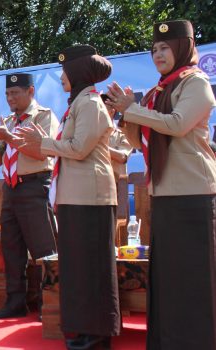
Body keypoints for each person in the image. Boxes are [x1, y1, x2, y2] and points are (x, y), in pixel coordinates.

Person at [106, 19, 216, 349]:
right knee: (169, 277)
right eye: (154, 49)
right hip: (164, 193)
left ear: (184, 47)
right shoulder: (158, 91)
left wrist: (135, 110)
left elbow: (179, 124)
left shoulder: (196, 83)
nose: (158, 54)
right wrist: (124, 117)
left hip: (194, 194)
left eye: (165, 48)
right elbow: (140, 142)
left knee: (195, 276)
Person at [17, 44, 120, 349]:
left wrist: (43, 142)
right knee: (77, 267)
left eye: (65, 70)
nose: (61, 76)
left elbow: (78, 148)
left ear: (78, 73)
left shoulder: (90, 103)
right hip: (75, 196)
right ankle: (82, 328)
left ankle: (97, 333)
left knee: (93, 267)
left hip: (92, 197)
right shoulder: (77, 104)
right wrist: (40, 142)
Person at [0, 73, 59, 319]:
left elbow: (43, 153)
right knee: (11, 247)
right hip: (11, 187)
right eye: (7, 94)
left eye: (15, 93)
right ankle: (16, 301)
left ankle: (52, 303)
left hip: (35, 186)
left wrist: (8, 137)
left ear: (31, 91)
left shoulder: (44, 116)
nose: (10, 98)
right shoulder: (9, 121)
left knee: (44, 248)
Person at [100, 94, 133, 181]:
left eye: (101, 109)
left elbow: (122, 157)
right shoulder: (89, 132)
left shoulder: (123, 133)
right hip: (92, 186)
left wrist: (97, 147)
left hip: (116, 188)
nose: (97, 113)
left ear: (112, 112)